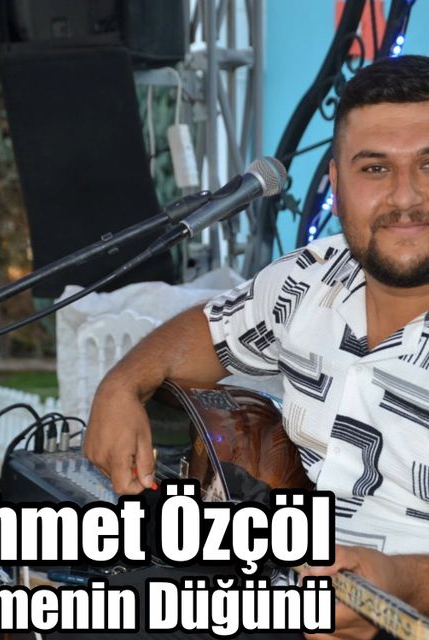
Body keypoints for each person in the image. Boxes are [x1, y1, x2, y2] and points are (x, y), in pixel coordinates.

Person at [80, 54, 429, 639]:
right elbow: (205, 333)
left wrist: (401, 582)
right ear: (336, 185)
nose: (406, 197)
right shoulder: (309, 279)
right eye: (374, 168)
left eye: (428, 164)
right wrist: (121, 385)